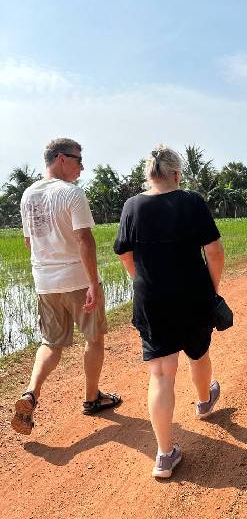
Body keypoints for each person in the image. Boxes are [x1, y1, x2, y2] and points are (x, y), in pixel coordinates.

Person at [113, 145, 224, 479]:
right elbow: (214, 252)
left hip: (152, 299)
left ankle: (164, 455)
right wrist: (212, 290)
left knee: (161, 374)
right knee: (198, 352)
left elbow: (125, 254)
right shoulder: (191, 201)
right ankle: (204, 401)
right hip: (192, 294)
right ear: (177, 173)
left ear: (149, 174)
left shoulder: (132, 206)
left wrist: (144, 282)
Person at [11, 138, 122, 435]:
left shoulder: (27, 195)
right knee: (94, 338)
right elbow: (85, 239)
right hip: (75, 279)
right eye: (78, 160)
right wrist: (92, 283)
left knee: (51, 344)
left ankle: (30, 392)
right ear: (61, 159)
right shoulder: (71, 193)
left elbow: (28, 241)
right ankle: (92, 397)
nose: (82, 167)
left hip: (44, 282)